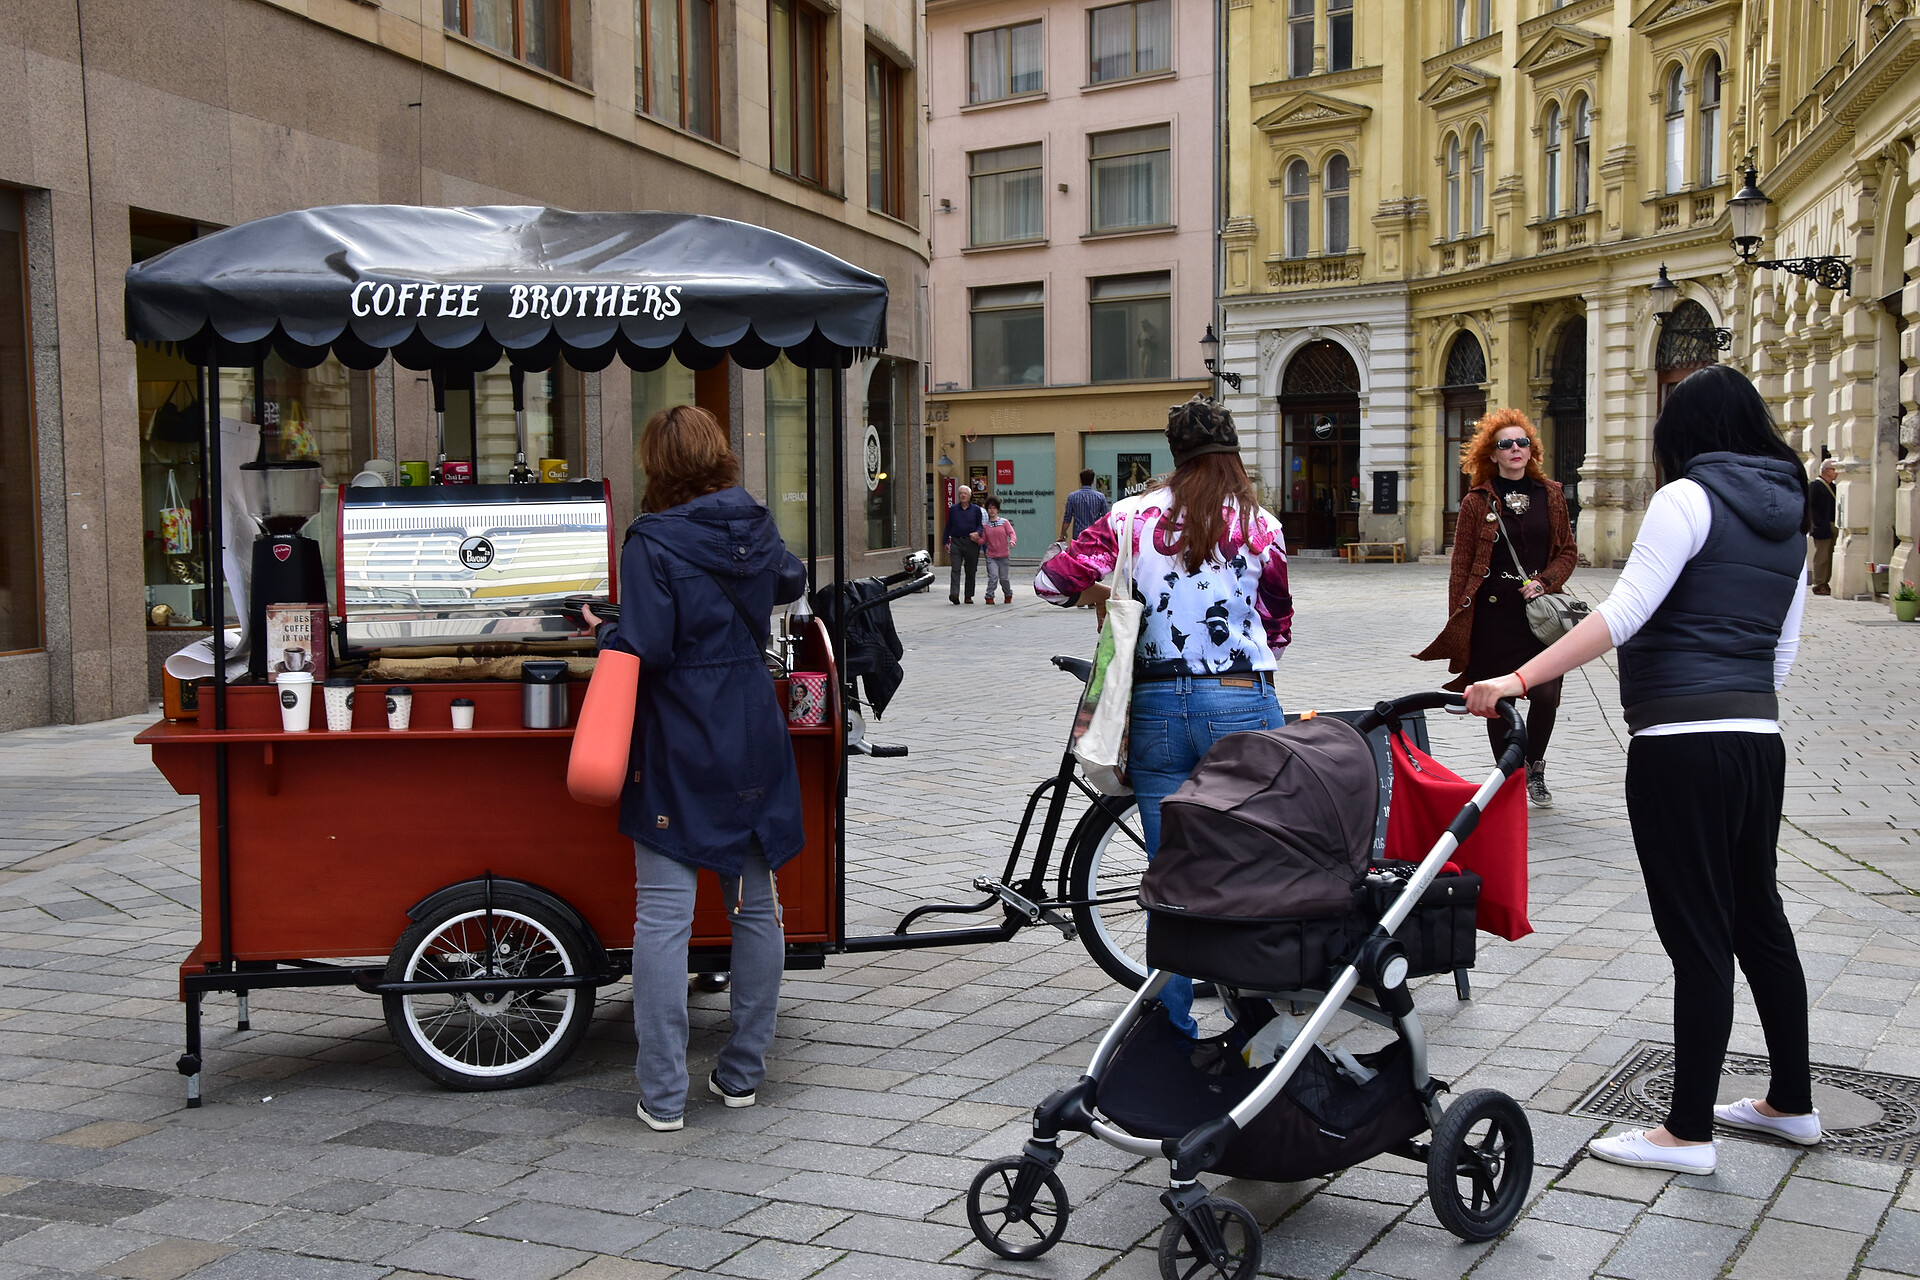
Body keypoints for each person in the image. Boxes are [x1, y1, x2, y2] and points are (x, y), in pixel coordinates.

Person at [1464, 364, 1817, 1175]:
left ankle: (1687, 1131)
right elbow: (1783, 654)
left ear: (1682, 433)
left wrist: (1516, 678)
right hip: (1756, 739)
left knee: (1696, 933)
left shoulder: (1686, 499)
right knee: (1758, 916)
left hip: (1678, 745)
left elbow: (1624, 614)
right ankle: (1791, 1102)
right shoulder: (1794, 517)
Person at [1036, 397, 1293, 1037]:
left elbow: (1050, 582)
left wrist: (1111, 594)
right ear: (1232, 456)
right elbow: (1279, 622)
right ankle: (1252, 1020)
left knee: (1171, 873)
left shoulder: (1128, 517)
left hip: (1152, 706)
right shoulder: (1260, 525)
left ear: (1173, 456)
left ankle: (1170, 1030)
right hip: (1240, 701)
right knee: (1248, 864)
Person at [583, 405, 808, 1132]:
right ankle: (742, 1074)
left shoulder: (651, 539)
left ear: (657, 464)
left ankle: (663, 1095)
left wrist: (603, 629)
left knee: (664, 918)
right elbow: (787, 580)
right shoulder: (756, 522)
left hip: (682, 731)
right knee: (754, 905)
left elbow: (647, 643)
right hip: (751, 725)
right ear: (718, 455)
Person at [1415, 408, 1576, 808]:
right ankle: (1511, 773)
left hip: (1537, 615)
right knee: (1497, 701)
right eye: (1506, 444)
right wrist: (1460, 623)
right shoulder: (1476, 501)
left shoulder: (1551, 494)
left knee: (1547, 693)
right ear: (1493, 453)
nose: (1516, 449)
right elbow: (1461, 567)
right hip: (1492, 616)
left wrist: (1544, 582)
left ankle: (1534, 765)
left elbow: (1568, 552)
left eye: (1522, 442)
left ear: (1532, 449)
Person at [945, 485, 985, 604]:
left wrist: (977, 533)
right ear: (958, 495)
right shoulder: (953, 509)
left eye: (965, 493)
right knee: (955, 568)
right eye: (961, 493)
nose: (963, 495)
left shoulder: (976, 510)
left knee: (970, 570)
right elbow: (948, 526)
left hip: (971, 542)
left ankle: (968, 595)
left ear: (969, 496)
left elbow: (980, 526)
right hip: (956, 541)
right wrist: (945, 541)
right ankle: (954, 594)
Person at [980, 497, 1018, 604]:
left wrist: (1012, 541)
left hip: (1003, 555)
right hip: (991, 556)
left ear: (998, 510)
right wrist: (976, 539)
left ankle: (1008, 593)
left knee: (1003, 579)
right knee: (993, 576)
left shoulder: (1004, 522)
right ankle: (989, 596)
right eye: (990, 508)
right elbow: (983, 540)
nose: (992, 510)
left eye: (994, 508)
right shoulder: (986, 526)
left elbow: (1012, 533)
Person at [1809, 456, 1837, 595]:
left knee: (1830, 556)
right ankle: (1819, 583)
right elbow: (1811, 508)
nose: (1837, 472)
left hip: (1832, 524)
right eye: (1834, 469)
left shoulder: (1833, 486)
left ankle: (1826, 582)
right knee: (1821, 557)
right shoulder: (1815, 486)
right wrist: (1818, 524)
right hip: (1822, 527)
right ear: (1826, 470)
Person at [1061, 469, 1111, 540]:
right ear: (1093, 481)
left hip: (1079, 537)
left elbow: (1067, 518)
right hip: (1094, 536)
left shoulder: (1072, 496)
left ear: (1080, 480)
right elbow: (1107, 518)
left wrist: (1062, 535)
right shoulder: (1100, 497)